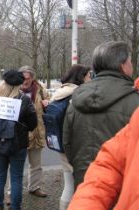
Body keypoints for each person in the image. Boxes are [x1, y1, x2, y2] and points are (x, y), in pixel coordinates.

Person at [63, 41, 139, 191]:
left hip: (85, 179)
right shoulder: (134, 102)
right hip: (122, 184)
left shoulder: (75, 100)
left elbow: (67, 143)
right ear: (123, 65)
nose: (132, 66)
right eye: (130, 61)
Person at [67, 105, 139, 210]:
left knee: (68, 187)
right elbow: (112, 161)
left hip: (83, 165)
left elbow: (66, 140)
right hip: (102, 184)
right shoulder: (132, 102)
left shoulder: (73, 104)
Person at [0, 69, 38, 210]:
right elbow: (33, 123)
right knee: (16, 178)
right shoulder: (24, 100)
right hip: (18, 144)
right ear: (18, 84)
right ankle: (15, 207)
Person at [49, 64, 91, 210]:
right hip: (75, 145)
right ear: (81, 77)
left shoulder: (60, 92)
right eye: (88, 75)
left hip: (60, 143)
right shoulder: (77, 94)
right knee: (78, 185)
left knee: (68, 183)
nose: (90, 78)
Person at [18, 65, 48, 197]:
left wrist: (48, 102)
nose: (25, 81)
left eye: (28, 79)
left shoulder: (40, 89)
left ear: (32, 78)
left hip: (37, 132)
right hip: (19, 134)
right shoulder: (14, 89)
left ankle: (34, 187)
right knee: (16, 166)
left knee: (36, 164)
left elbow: (49, 100)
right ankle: (12, 192)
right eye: (23, 78)